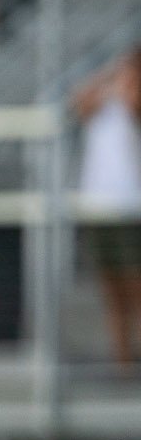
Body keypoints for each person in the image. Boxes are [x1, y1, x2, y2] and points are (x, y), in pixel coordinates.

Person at [75, 50, 141, 366]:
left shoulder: (129, 103)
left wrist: (125, 87)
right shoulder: (104, 102)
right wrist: (107, 79)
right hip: (99, 207)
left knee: (135, 286)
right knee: (112, 289)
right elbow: (80, 104)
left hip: (131, 209)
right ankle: (123, 361)